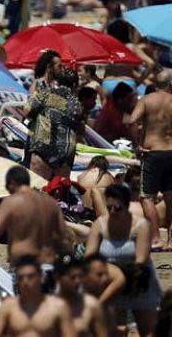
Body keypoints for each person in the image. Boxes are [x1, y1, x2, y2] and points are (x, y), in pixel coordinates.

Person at [84, 183, 161, 336]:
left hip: (138, 280)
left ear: (126, 206)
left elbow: (141, 259)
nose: (113, 212)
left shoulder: (140, 225)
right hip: (111, 282)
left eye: (117, 208)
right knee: (117, 330)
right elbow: (89, 255)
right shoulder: (100, 224)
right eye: (109, 207)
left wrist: (115, 271)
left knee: (148, 330)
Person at [0, 166, 70, 291]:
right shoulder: (51, 203)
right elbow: (66, 238)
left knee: (25, 309)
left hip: (25, 270)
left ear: (12, 183)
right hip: (49, 269)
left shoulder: (11, 202)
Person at [126, 69, 172, 249]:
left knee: (147, 197)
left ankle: (155, 238)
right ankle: (171, 240)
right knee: (170, 197)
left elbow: (132, 121)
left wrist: (137, 145)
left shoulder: (147, 100)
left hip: (153, 152)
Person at [0, 256, 76, 337]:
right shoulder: (9, 306)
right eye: (21, 278)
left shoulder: (58, 307)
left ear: (41, 277)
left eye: (30, 277)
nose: (25, 282)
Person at [24, 68, 84, 179]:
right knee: (57, 194)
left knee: (38, 193)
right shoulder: (77, 106)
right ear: (75, 85)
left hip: (42, 150)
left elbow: (27, 110)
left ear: (58, 81)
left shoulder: (46, 95)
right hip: (64, 157)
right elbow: (79, 131)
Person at [55, 256, 108, 337]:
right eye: (72, 277)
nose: (77, 281)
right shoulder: (46, 306)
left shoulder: (91, 305)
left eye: (80, 276)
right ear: (58, 277)